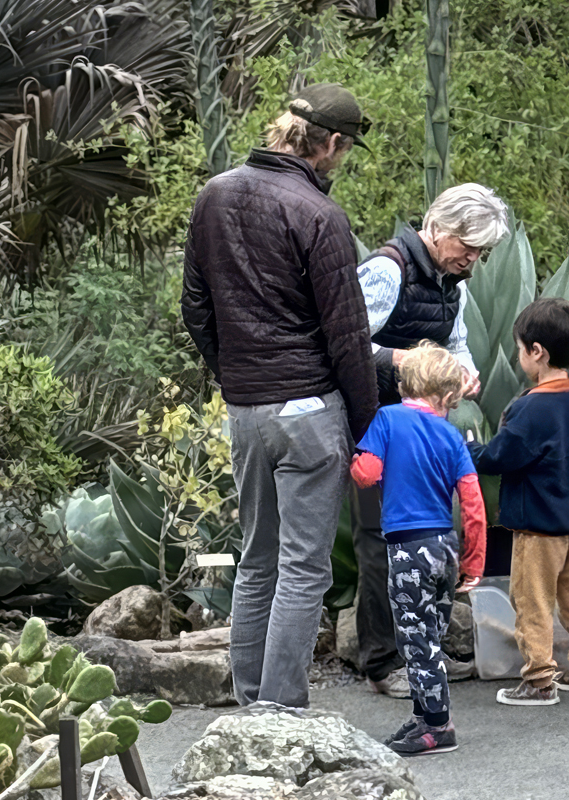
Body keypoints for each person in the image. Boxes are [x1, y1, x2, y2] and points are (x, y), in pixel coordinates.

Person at [181, 84, 377, 709]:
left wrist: (235, 378)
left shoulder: (214, 195)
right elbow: (348, 338)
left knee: (256, 558)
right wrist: (368, 427)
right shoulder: (320, 216)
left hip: (245, 409)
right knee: (302, 567)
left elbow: (195, 308)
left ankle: (248, 702)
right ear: (333, 144)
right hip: (309, 411)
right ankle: (282, 710)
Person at [351, 184, 510, 698]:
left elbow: (457, 341)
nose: (474, 260)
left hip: (423, 426)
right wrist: (406, 362)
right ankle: (381, 662)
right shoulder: (387, 269)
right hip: (379, 425)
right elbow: (349, 343)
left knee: (428, 537)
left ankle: (423, 652)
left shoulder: (450, 282)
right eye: (469, 246)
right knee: (381, 540)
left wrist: (465, 372)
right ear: (439, 229)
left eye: (482, 252)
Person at [349, 342, 486, 755]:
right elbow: (473, 501)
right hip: (444, 545)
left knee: (414, 638)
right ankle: (423, 715)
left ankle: (439, 727)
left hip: (408, 547)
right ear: (450, 396)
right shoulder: (450, 435)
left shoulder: (388, 419)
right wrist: (473, 561)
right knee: (433, 635)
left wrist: (356, 462)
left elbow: (367, 474)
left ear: (405, 382)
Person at [469, 297, 569, 705]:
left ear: (537, 353)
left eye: (519, 348)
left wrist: (470, 450)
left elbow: (498, 457)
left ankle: (539, 679)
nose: (517, 356)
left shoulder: (530, 410)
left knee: (531, 601)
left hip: (537, 529)